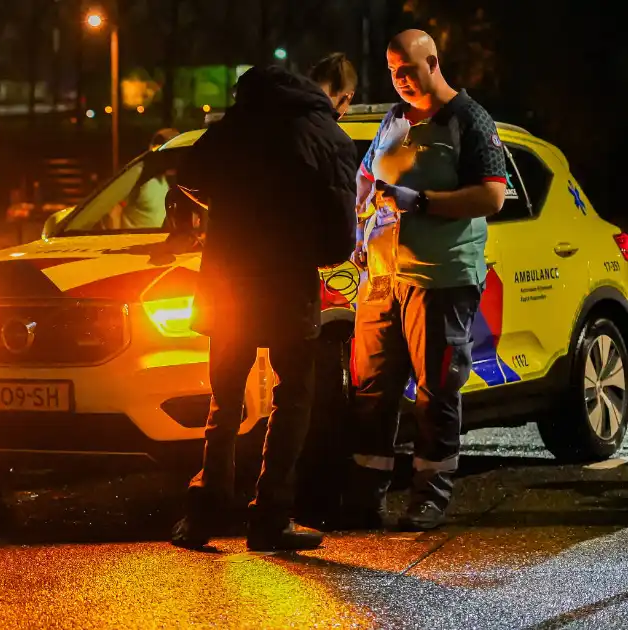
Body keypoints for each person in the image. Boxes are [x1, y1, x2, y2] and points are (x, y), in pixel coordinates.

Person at [169, 53, 360, 551]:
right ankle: (270, 517)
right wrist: (300, 241)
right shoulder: (328, 137)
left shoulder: (240, 120)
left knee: (224, 399)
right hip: (286, 285)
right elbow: (339, 242)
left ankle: (203, 514)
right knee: (293, 394)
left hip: (228, 277)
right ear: (340, 97)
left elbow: (188, 175)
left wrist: (232, 215)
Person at [343, 30, 506, 532]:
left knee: (435, 390)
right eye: (393, 71)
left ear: (432, 61)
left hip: (441, 277)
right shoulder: (393, 119)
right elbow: (368, 174)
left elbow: (492, 196)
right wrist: (362, 209)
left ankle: (429, 497)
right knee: (371, 389)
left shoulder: (468, 119)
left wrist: (424, 203)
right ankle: (364, 497)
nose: (401, 80)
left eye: (408, 70)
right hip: (382, 278)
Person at [118, 128, 180, 229]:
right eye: (170, 153)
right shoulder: (136, 176)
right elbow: (113, 209)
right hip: (133, 242)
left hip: (157, 242)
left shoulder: (164, 179)